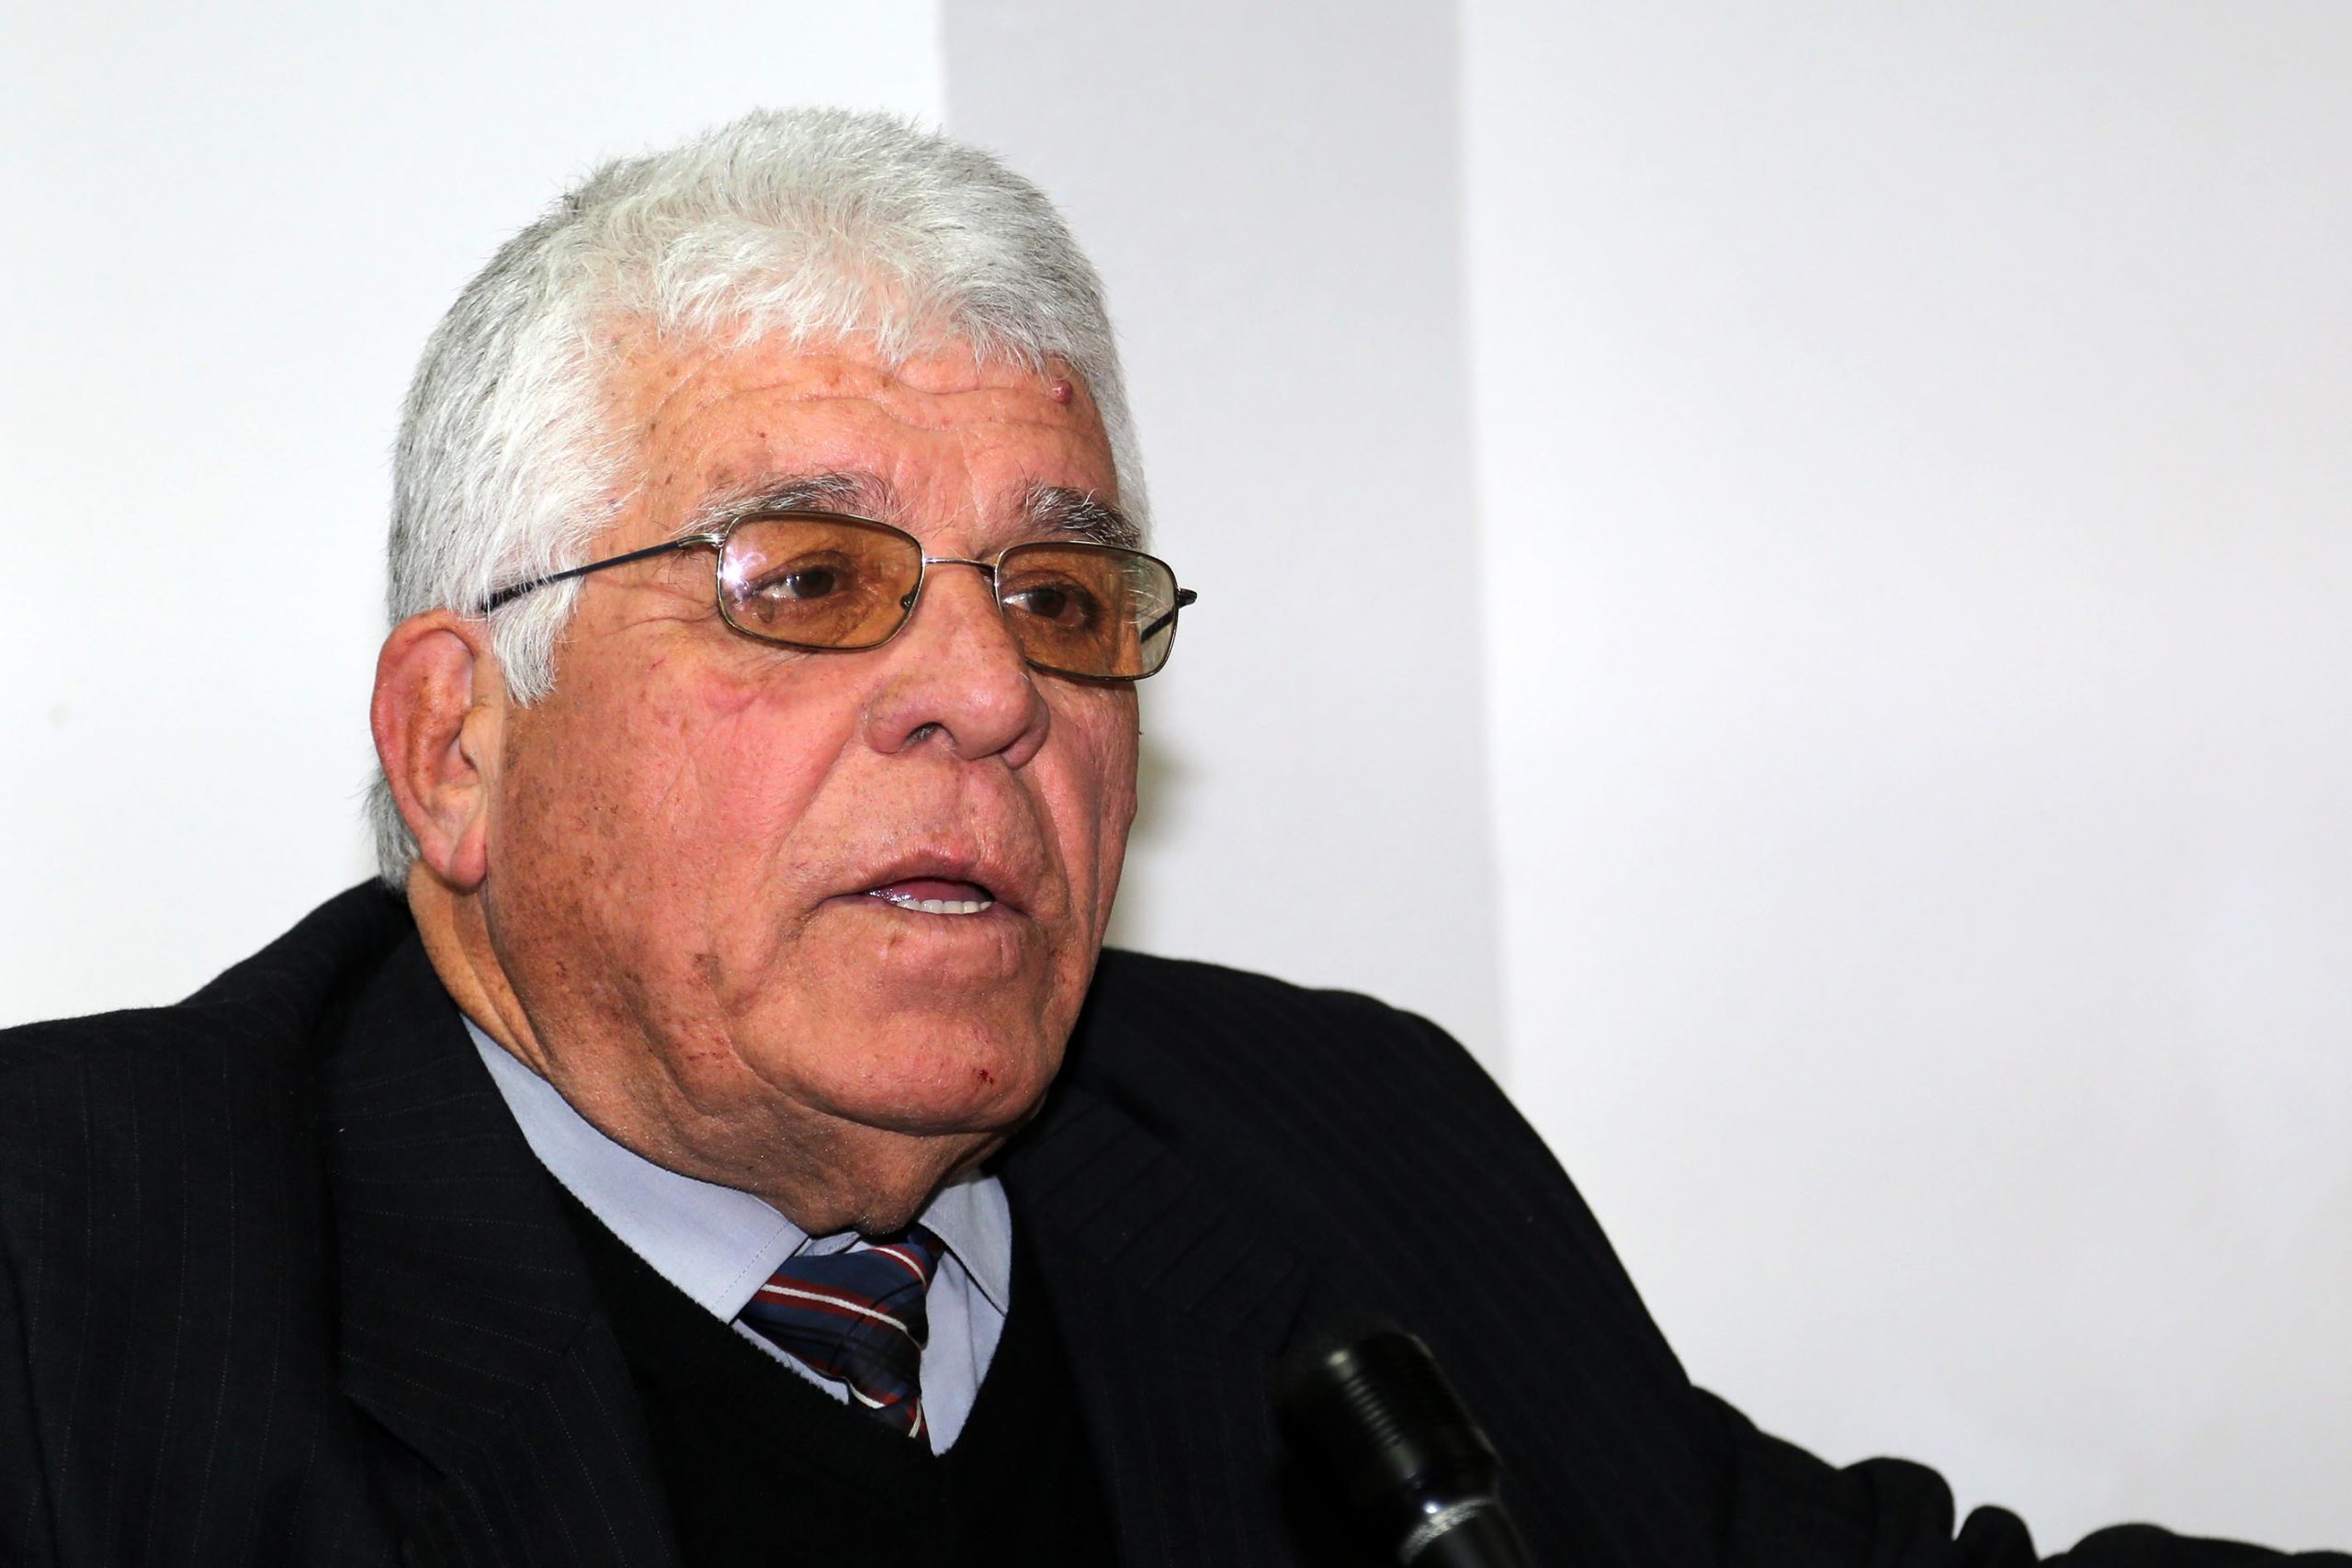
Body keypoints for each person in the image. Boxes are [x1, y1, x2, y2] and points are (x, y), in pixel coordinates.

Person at [0, 108, 2337, 1568]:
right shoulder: (76, 1277)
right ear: (456, 744)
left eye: (1058, 594)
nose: (991, 689)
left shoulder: (1326, 1147)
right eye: (808, 581)